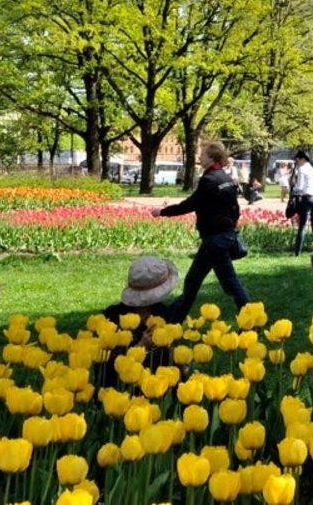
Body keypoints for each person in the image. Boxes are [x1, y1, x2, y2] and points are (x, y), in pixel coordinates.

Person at [152, 142, 251, 322]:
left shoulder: (210, 179)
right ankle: (173, 317)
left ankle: (250, 316)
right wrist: (229, 226)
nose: (200, 157)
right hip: (224, 237)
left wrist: (162, 212)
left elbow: (191, 204)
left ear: (212, 157)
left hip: (215, 240)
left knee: (225, 282)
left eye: (203, 154)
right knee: (202, 281)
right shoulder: (226, 178)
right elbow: (235, 209)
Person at [97, 256, 178, 384]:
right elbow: (109, 367)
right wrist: (141, 346)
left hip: (157, 383)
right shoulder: (113, 318)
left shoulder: (161, 311)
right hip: (120, 387)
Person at [291, 150, 313, 257]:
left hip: (307, 198)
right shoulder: (311, 168)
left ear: (302, 158)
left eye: (297, 160)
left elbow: (300, 187)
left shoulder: (301, 169)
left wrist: (293, 187)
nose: (297, 162)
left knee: (303, 225)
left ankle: (298, 252)